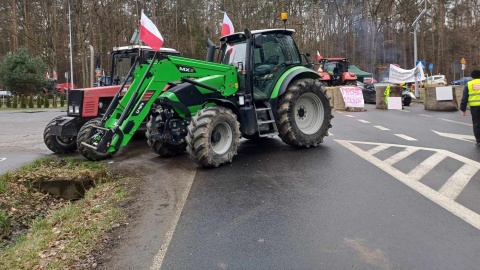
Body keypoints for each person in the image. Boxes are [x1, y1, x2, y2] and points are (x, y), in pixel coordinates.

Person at [460, 69, 480, 146]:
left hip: (474, 107)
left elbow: (464, 98)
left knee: (476, 123)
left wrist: (463, 109)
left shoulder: (468, 84)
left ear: (472, 77)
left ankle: (478, 140)